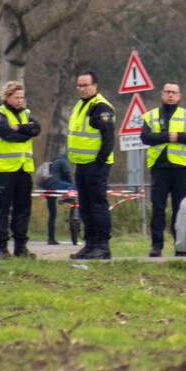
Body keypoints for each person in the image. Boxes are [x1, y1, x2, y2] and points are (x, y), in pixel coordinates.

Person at [139, 81, 186, 257]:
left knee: (179, 209)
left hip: (181, 168)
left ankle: (180, 246)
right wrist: (167, 136)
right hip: (159, 167)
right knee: (158, 208)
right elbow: (145, 137)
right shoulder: (151, 115)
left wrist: (178, 136)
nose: (170, 95)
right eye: (167, 92)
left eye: (174, 92)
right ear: (162, 94)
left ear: (179, 96)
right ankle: (156, 246)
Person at [0, 81, 41, 259]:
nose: (20, 101)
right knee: (3, 210)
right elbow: (7, 134)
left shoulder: (26, 113)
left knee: (23, 209)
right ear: (7, 97)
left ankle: (21, 247)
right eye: (16, 97)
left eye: (22, 97)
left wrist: (20, 128)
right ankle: (2, 247)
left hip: (23, 169)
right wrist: (26, 133)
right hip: (4, 170)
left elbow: (36, 129)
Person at [67, 70, 115, 260]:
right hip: (81, 164)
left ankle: (102, 246)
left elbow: (108, 138)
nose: (82, 89)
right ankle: (90, 245)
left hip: (96, 164)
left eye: (85, 85)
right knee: (85, 206)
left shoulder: (100, 107)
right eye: (79, 86)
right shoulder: (80, 105)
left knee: (97, 205)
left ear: (95, 86)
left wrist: (99, 161)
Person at [39, 153, 75, 245]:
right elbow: (67, 173)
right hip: (56, 185)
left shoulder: (50, 164)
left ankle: (51, 238)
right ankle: (67, 197)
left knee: (52, 215)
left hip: (47, 189)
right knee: (74, 188)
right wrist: (70, 185)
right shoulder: (62, 161)